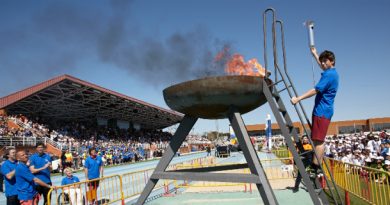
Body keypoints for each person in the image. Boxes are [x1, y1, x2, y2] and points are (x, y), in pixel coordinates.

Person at [291, 47, 339, 174]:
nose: (322, 63)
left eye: (325, 61)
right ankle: (316, 166)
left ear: (332, 61)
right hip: (322, 111)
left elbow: (315, 90)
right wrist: (315, 54)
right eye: (321, 61)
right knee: (317, 139)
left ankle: (315, 167)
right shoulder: (332, 72)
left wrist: (298, 99)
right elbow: (322, 65)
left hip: (322, 112)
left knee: (318, 141)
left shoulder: (329, 75)